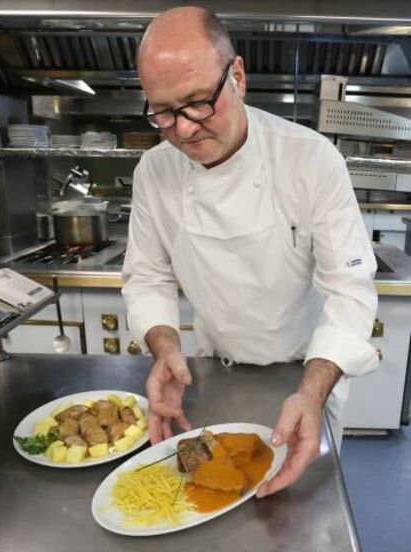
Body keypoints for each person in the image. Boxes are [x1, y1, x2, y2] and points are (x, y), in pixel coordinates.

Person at [122, 6, 378, 497]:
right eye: (163, 112)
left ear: (237, 75)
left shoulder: (310, 159)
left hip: (305, 376)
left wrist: (311, 391)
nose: (184, 129)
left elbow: (350, 289)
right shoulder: (155, 171)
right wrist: (166, 348)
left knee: (301, 511)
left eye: (198, 102)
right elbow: (149, 276)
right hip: (213, 372)